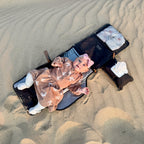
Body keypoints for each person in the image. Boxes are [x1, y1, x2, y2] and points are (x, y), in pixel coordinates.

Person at [16, 53, 94, 115]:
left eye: (84, 65)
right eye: (79, 61)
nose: (80, 64)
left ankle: (36, 109)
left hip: (54, 88)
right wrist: (58, 62)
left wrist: (81, 90)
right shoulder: (67, 61)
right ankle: (27, 84)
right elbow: (58, 59)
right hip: (47, 76)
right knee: (32, 74)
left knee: (48, 100)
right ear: (75, 59)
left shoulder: (78, 77)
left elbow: (74, 88)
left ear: (84, 71)